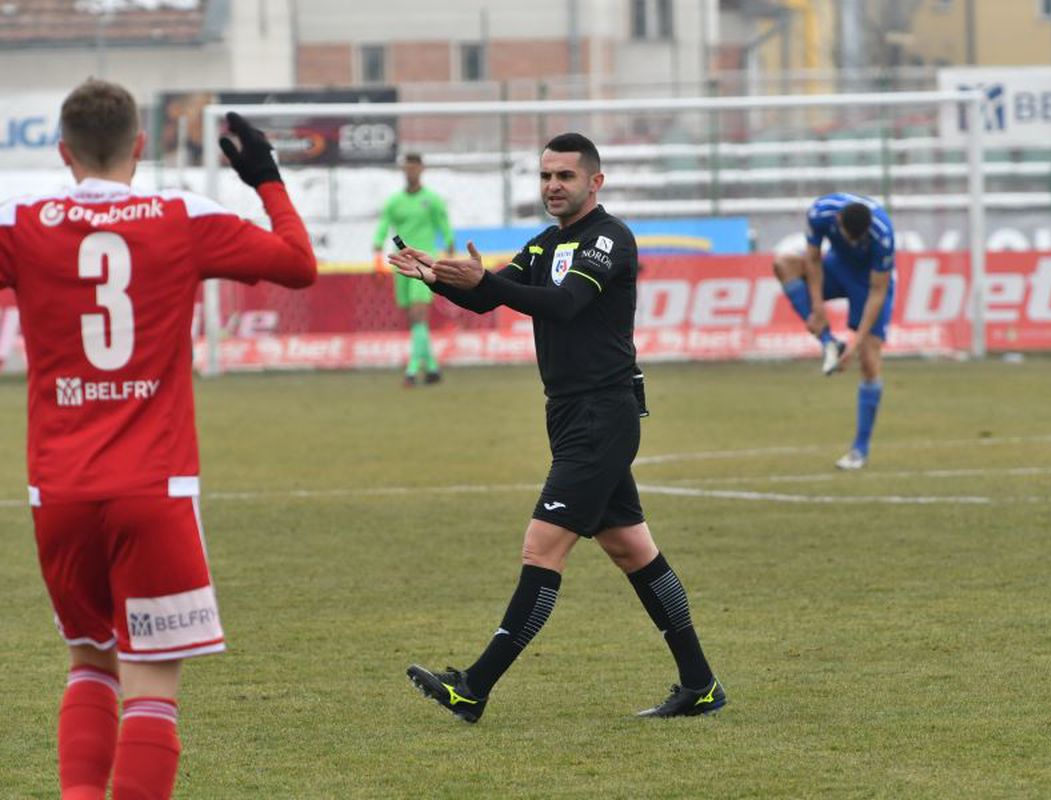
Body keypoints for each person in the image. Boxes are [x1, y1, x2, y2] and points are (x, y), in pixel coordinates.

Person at [0, 79, 316, 799]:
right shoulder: (181, 217)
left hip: (60, 488)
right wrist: (266, 180)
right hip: (155, 487)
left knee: (88, 664)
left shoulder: (20, 223)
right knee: (150, 689)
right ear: (141, 146)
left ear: (63, 151)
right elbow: (299, 265)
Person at [390, 133, 725, 722]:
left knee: (542, 547)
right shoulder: (547, 242)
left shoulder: (608, 239)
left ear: (594, 182)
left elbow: (564, 304)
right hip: (572, 415)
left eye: (565, 176)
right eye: (546, 175)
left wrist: (486, 282)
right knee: (632, 550)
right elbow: (488, 299)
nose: (552, 186)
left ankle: (474, 686)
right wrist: (434, 278)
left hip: (603, 414)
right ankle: (700, 685)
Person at [772, 192, 896, 470]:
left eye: (857, 239)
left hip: (868, 281)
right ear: (838, 220)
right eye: (848, 236)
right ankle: (828, 342)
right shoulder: (821, 213)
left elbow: (878, 291)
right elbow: (813, 259)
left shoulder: (883, 235)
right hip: (836, 267)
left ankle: (859, 451)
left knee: (868, 361)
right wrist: (817, 307)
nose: (853, 242)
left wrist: (854, 343)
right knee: (784, 264)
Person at [371, 153, 455, 387]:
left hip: (424, 265)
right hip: (401, 263)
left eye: (414, 167)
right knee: (414, 320)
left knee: (419, 315)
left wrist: (449, 250)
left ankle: (411, 370)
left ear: (421, 169)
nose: (410, 172)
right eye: (407, 168)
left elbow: (444, 226)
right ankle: (432, 368)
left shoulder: (432, 200)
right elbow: (386, 227)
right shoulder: (395, 202)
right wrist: (378, 250)